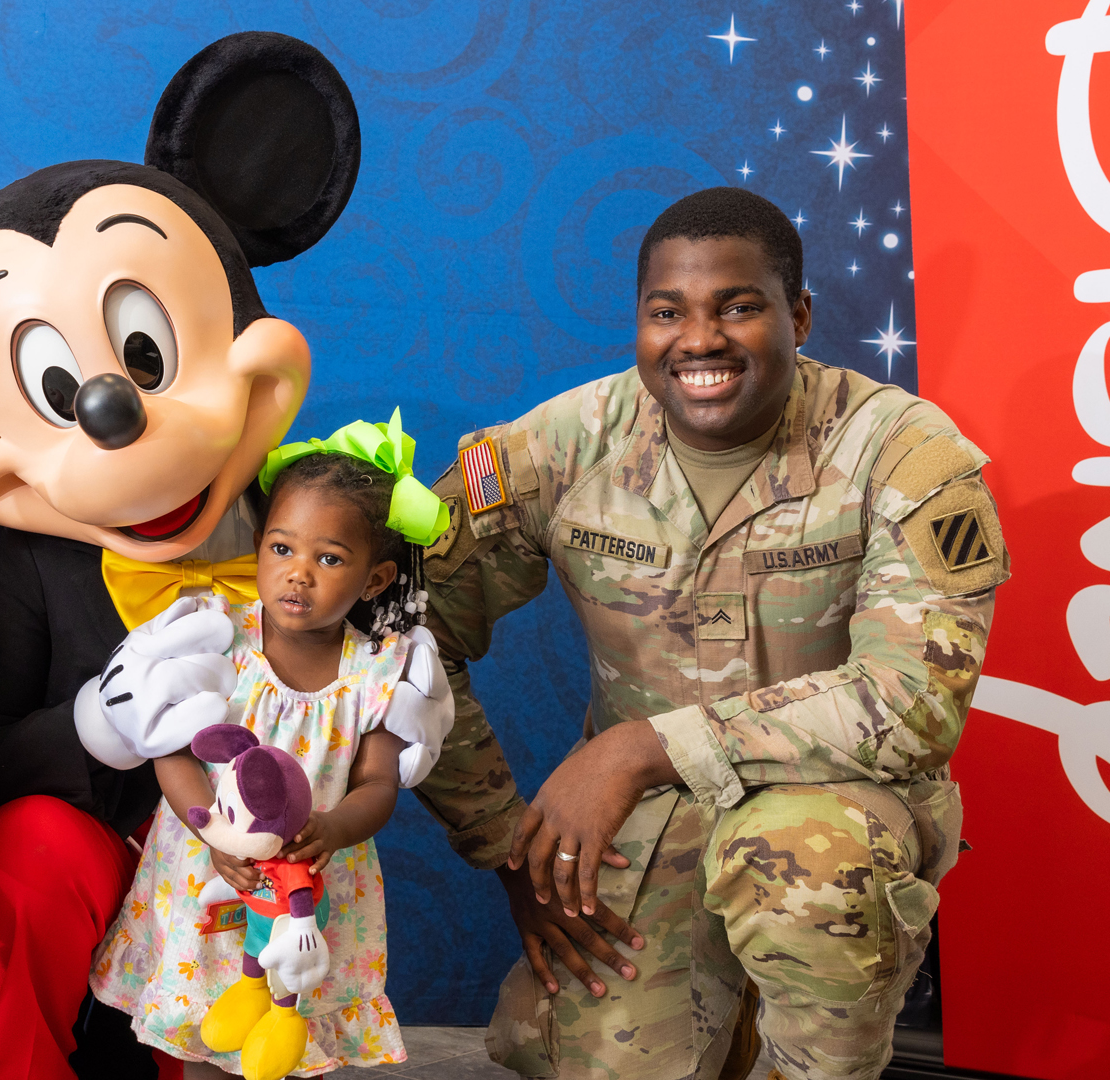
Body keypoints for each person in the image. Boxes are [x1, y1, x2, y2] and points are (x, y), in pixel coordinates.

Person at [413, 187, 1003, 1080]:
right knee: (577, 1052)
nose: (699, 340)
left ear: (799, 316)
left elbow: (914, 702)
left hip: (836, 806)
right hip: (649, 815)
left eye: (738, 307)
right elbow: (407, 639)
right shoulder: (563, 448)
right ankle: (727, 1018)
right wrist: (508, 846)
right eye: (667, 312)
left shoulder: (898, 453)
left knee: (806, 872)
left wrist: (642, 748)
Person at [92, 426, 449, 1080]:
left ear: (376, 578)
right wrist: (212, 831)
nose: (298, 573)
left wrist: (335, 827)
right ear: (258, 545)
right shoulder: (217, 637)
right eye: (281, 548)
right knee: (204, 1029)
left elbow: (377, 783)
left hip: (312, 888)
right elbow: (172, 750)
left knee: (291, 1032)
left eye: (330, 558)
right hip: (211, 870)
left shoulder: (379, 671)